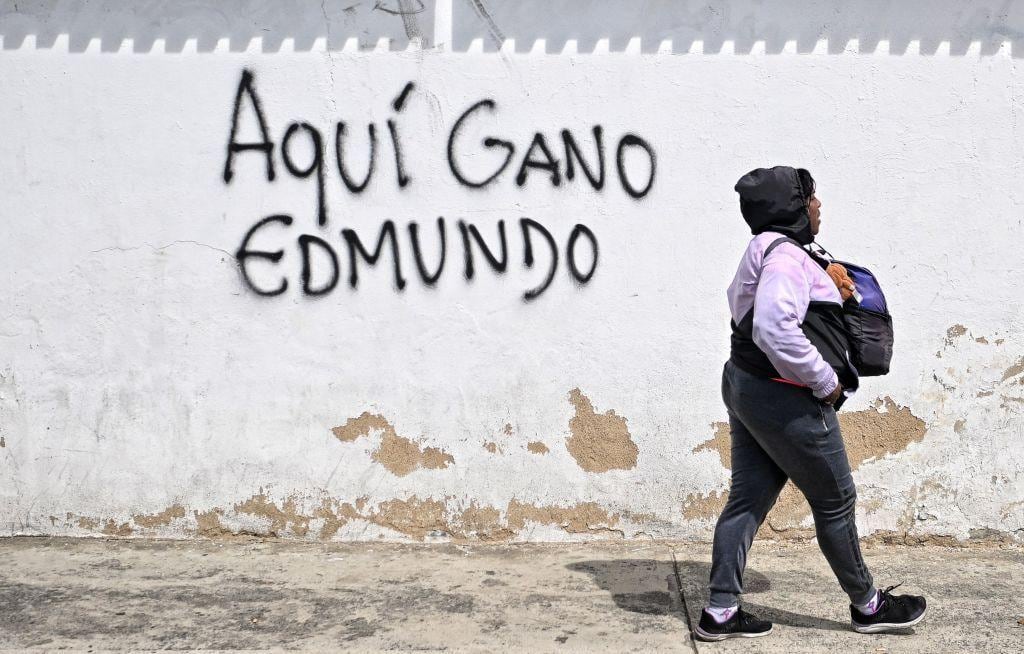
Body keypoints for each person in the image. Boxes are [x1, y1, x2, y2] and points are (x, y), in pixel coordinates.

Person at [694, 166, 927, 641]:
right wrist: (824, 382)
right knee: (836, 500)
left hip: (746, 384)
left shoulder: (763, 247)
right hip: (786, 397)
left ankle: (719, 612)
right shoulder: (787, 260)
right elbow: (773, 328)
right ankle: (868, 605)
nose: (819, 206)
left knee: (747, 500)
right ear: (794, 208)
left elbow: (739, 308)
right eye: (812, 199)